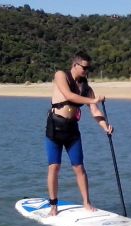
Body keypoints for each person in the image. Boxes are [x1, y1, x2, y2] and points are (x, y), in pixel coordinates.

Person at [45, 51, 112, 216]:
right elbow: (69, 95)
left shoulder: (86, 88)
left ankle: (87, 203)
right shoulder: (61, 75)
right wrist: (93, 100)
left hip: (72, 130)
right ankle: (54, 205)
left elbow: (94, 110)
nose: (87, 71)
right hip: (54, 127)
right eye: (84, 67)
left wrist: (105, 126)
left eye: (89, 68)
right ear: (75, 65)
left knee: (79, 168)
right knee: (54, 167)